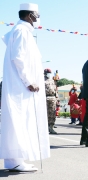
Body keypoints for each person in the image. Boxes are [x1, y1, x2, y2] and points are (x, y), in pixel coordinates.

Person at [0, 3, 50, 171]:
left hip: (20, 86)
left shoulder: (21, 31)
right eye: (37, 14)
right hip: (21, 87)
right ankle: (15, 161)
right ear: (30, 15)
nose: (38, 18)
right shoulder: (22, 31)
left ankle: (14, 160)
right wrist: (29, 81)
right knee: (20, 121)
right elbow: (18, 58)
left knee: (18, 122)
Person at [44, 68, 58, 134]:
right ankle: (45, 128)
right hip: (45, 98)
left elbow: (55, 90)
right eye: (48, 72)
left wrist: (57, 98)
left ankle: (51, 127)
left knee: (53, 114)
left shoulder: (52, 80)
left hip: (53, 98)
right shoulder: (41, 80)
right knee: (46, 114)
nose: (49, 74)